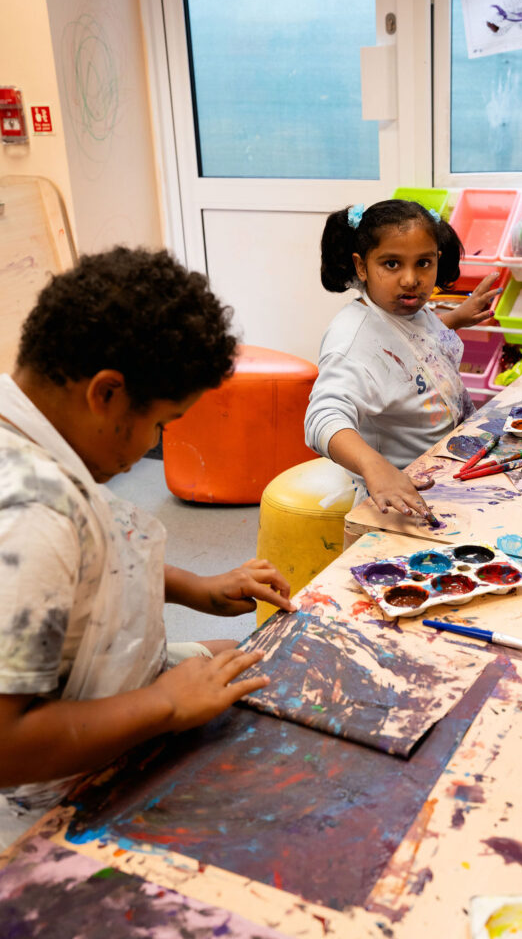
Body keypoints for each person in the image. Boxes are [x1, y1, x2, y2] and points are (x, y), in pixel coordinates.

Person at [0, 247, 293, 847]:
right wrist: (163, 704)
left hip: (98, 681)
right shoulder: (32, 515)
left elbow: (92, 558)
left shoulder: (34, 434)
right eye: (161, 424)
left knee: (252, 662)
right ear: (106, 394)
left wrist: (197, 587)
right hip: (46, 794)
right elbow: (6, 746)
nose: (154, 444)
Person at [304, 199, 501, 519]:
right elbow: (323, 419)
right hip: (401, 496)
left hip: (450, 468)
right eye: (392, 264)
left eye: (423, 263)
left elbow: (411, 349)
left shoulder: (406, 311)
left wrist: (456, 319)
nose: (410, 279)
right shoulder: (351, 341)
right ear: (361, 266)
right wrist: (375, 468)